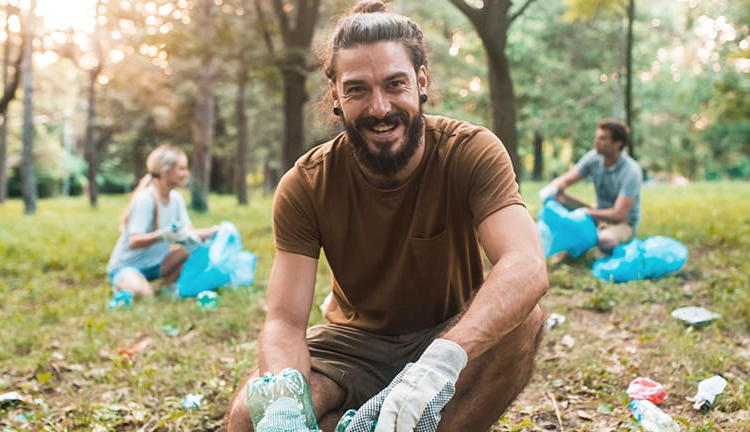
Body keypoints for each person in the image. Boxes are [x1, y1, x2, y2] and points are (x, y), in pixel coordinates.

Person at [225, 1, 547, 431]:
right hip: (352, 347)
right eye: (357, 89)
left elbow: (526, 264)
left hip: (449, 334)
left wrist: (439, 363)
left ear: (421, 81)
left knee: (525, 319)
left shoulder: (471, 151)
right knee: (251, 417)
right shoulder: (305, 183)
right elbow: (284, 320)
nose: (379, 108)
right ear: (336, 94)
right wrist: (284, 401)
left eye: (395, 84)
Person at [106, 145, 216, 297]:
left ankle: (169, 286)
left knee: (197, 246)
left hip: (157, 265)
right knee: (143, 293)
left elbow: (189, 232)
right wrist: (161, 236)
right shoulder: (145, 199)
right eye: (181, 169)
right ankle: (127, 284)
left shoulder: (176, 199)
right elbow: (134, 241)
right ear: (165, 170)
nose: (186, 173)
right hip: (128, 266)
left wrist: (214, 231)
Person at [539, 119, 643, 254]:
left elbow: (619, 213)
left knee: (606, 240)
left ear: (618, 143)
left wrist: (586, 213)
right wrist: (552, 188)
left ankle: (603, 247)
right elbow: (566, 179)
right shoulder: (594, 158)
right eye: (597, 137)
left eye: (603, 138)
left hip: (622, 222)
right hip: (597, 213)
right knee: (558, 196)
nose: (596, 142)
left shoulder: (631, 171)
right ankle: (565, 244)